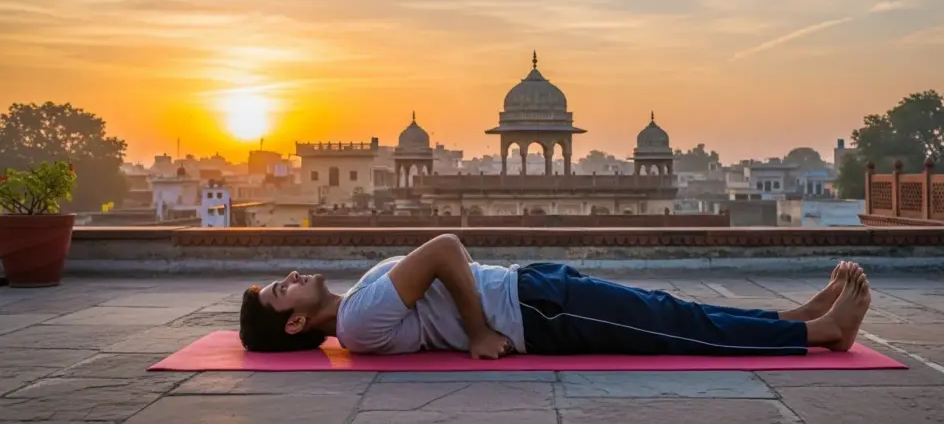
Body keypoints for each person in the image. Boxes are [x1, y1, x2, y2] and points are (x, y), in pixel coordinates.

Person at [239, 233, 871, 358]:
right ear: (294, 324)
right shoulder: (356, 322)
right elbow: (445, 249)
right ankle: (820, 333)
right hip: (535, 312)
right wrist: (478, 331)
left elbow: (447, 260)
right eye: (279, 291)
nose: (290, 276)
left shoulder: (356, 303)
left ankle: (794, 317)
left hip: (531, 289)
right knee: (672, 325)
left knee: (673, 312)